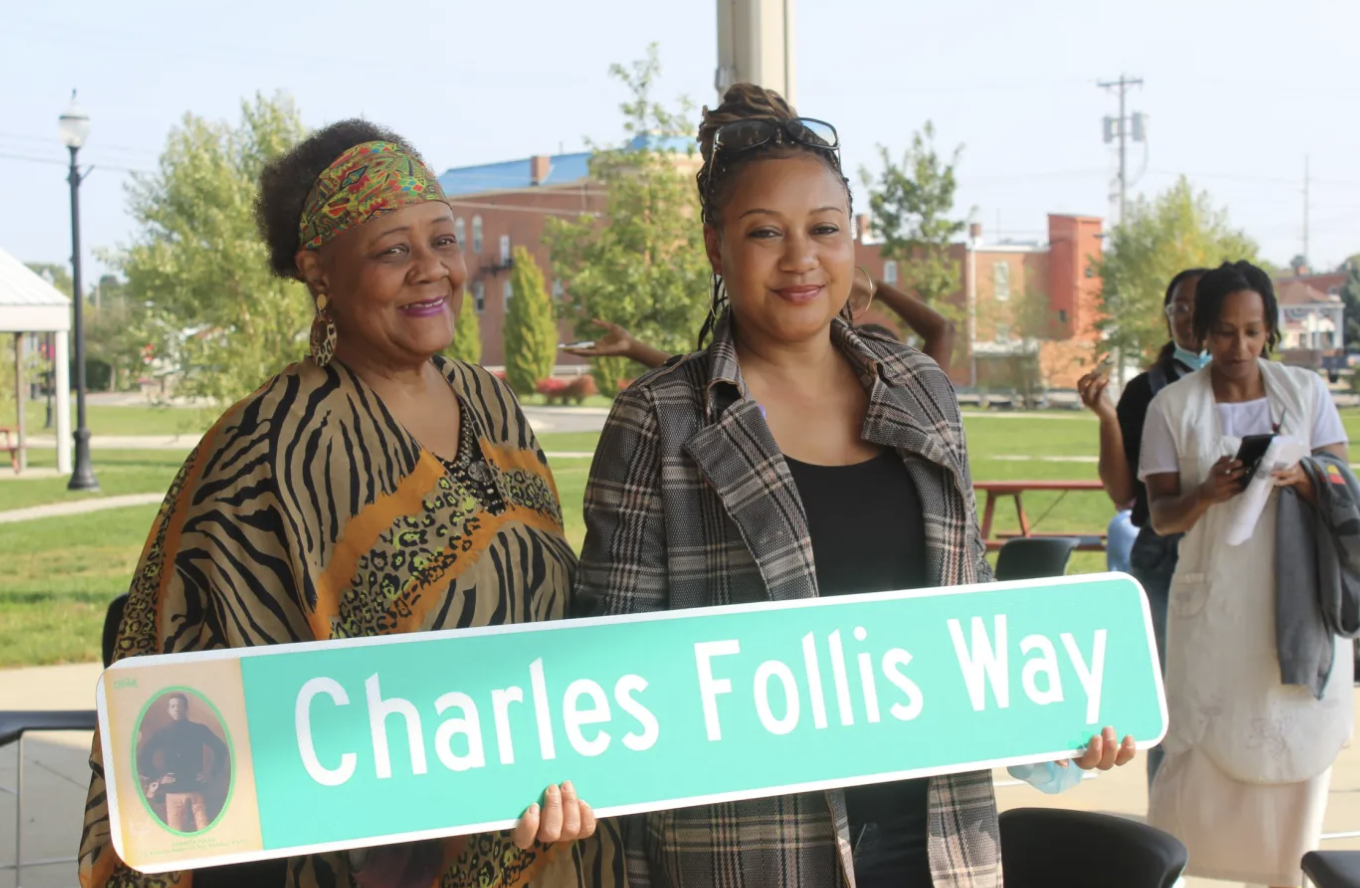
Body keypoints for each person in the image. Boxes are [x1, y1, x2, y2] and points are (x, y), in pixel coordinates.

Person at [575, 83, 1136, 888]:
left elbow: (970, 614)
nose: (799, 258)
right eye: (764, 232)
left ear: (853, 237)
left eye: (824, 229)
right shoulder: (658, 419)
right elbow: (607, 670)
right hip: (748, 854)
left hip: (940, 842)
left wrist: (1058, 724)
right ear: (715, 247)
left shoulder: (920, 390)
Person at [80, 123, 613, 888]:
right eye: (393, 251)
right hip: (375, 861)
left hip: (549, 828)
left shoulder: (491, 404)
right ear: (318, 271)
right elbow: (177, 670)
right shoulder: (270, 444)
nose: (432, 270)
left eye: (443, 240)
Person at [1141, 260, 1352, 887]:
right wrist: (1206, 493)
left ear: (1270, 332)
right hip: (1214, 607)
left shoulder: (1306, 392)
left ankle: (1291, 871)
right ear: (1203, 331)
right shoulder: (1172, 406)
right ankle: (1183, 868)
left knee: (1293, 741)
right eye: (1226, 332)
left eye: (1253, 332)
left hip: (1297, 600)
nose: (1240, 347)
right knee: (1197, 750)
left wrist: (1305, 477)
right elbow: (1162, 517)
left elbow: (1343, 482)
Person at [1075, 267, 1207, 785]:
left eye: (1200, 305)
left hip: (1236, 557)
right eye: (1179, 307)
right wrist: (1108, 418)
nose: (1188, 317)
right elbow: (1121, 491)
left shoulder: (1252, 386)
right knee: (1171, 699)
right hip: (1167, 557)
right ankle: (1171, 820)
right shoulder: (1148, 390)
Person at [564, 266, 956, 373]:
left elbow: (942, 330)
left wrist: (877, 287)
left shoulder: (915, 403)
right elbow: (712, 381)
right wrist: (633, 348)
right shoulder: (812, 398)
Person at [137, 693, 229, 832]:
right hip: (173, 793)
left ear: (186, 708)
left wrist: (211, 773)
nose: (177, 709)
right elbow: (144, 758)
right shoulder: (162, 733)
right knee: (176, 832)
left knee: (204, 830)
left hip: (196, 791)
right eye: (173, 706)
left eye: (180, 706)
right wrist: (159, 778)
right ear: (168, 710)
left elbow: (221, 749)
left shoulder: (199, 729)